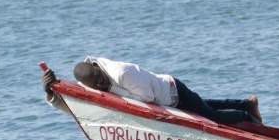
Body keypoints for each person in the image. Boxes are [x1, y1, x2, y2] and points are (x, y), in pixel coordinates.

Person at [47, 56, 262, 126]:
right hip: (167, 98)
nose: (102, 86)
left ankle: (247, 116)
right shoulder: (92, 81)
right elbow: (80, 98)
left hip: (172, 92)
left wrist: (112, 94)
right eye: (97, 86)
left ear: (99, 70)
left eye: (102, 81)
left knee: (210, 116)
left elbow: (147, 99)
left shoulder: (123, 73)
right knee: (203, 105)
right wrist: (53, 89)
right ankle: (246, 104)